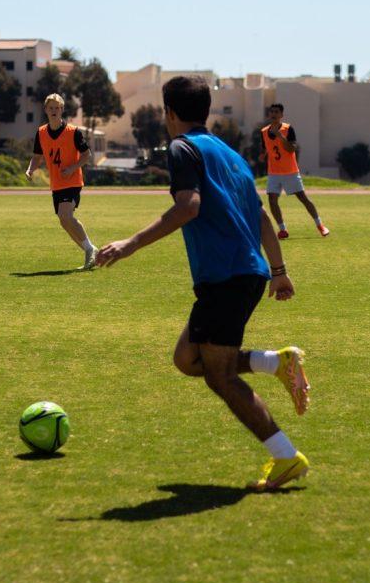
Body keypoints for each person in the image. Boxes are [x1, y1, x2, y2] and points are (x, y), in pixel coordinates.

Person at [96, 75, 311, 491]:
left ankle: (286, 456)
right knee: (186, 359)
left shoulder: (181, 148)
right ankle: (275, 362)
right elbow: (261, 217)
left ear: (169, 113)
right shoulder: (231, 155)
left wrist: (130, 244)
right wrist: (279, 270)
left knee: (220, 376)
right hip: (244, 273)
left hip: (227, 276)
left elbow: (188, 206)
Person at [25, 93, 98, 270]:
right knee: (63, 221)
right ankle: (91, 251)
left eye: (57, 108)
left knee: (66, 216)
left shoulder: (73, 132)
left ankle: (90, 250)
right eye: (51, 108)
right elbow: (36, 157)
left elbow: (87, 155)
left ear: (62, 110)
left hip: (72, 181)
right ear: (45, 110)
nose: (54, 111)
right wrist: (30, 169)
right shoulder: (41, 133)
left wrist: (73, 168)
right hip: (56, 184)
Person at [260, 103, 329, 239]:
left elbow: (291, 149)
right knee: (272, 200)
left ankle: (320, 225)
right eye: (271, 111)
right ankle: (282, 230)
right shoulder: (263, 132)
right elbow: (266, 149)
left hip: (290, 172)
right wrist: (262, 155)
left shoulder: (288, 129)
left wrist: (280, 136)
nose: (273, 114)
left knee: (303, 198)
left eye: (277, 112)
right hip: (274, 173)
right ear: (269, 114)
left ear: (281, 115)